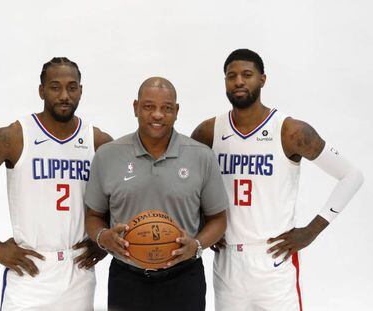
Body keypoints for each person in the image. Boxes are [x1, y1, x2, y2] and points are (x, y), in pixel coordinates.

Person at [191, 49, 364, 311]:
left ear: (262, 79)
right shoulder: (209, 131)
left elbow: (351, 176)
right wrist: (205, 224)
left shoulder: (290, 131)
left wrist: (311, 231)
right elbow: (187, 184)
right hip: (227, 261)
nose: (239, 81)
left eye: (247, 75)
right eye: (231, 76)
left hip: (274, 258)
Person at [0, 57, 112, 310]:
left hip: (78, 271)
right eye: (55, 87)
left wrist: (103, 241)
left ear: (81, 91)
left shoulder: (97, 140)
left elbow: (125, 195)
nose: (64, 95)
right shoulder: (14, 136)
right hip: (29, 270)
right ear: (41, 90)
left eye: (72, 87)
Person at [84, 77, 228, 311]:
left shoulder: (201, 156)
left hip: (184, 278)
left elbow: (218, 219)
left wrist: (197, 245)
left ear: (177, 111)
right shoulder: (107, 156)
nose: (158, 115)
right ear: (135, 107)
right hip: (126, 279)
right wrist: (103, 237)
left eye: (166, 108)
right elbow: (93, 215)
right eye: (149, 106)